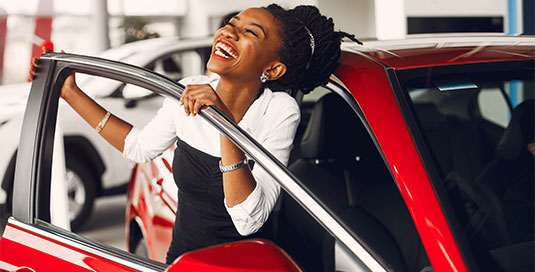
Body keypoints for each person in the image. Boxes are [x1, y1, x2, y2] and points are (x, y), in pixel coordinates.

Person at [30, 4, 361, 264]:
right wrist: (70, 92)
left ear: (272, 69)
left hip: (248, 264)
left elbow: (249, 220)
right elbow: (139, 147)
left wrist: (222, 122)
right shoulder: (188, 89)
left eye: (250, 33)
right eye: (231, 24)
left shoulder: (278, 111)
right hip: (184, 262)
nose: (228, 33)